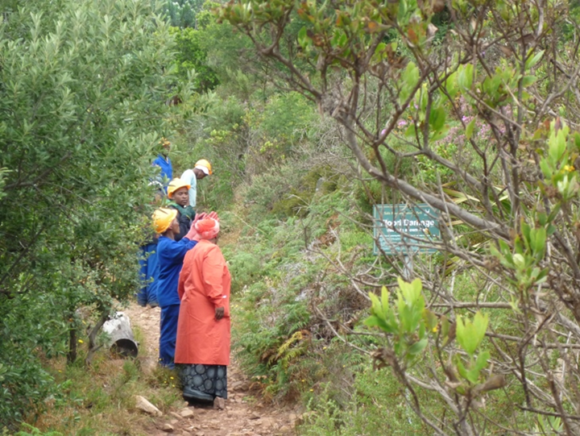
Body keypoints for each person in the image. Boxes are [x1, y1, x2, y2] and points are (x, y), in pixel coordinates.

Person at [175, 218, 231, 406]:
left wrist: (186, 299)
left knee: (195, 346)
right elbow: (212, 280)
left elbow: (181, 282)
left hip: (191, 306)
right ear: (215, 234)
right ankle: (208, 392)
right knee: (210, 346)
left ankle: (191, 389)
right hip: (207, 307)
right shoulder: (212, 251)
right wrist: (218, 302)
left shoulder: (191, 251)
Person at [152, 207, 201, 368]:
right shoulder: (166, 246)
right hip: (170, 295)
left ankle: (170, 364)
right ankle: (167, 366)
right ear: (168, 226)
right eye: (174, 220)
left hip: (171, 294)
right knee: (169, 332)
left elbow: (184, 243)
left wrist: (194, 228)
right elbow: (188, 249)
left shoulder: (167, 243)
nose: (178, 222)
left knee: (172, 330)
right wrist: (200, 233)